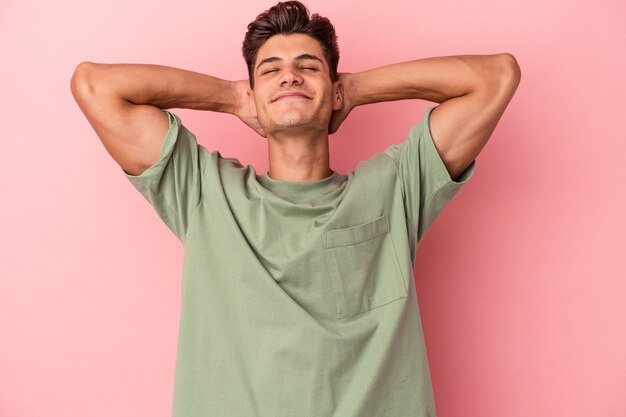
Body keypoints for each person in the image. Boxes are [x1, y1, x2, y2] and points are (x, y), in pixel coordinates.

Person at [70, 1, 520, 416]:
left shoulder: (395, 187)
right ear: (253, 98)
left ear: (334, 91)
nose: (290, 77)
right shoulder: (206, 192)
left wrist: (356, 88)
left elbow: (496, 76)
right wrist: (229, 96)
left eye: (308, 67)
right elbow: (95, 84)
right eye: (270, 71)